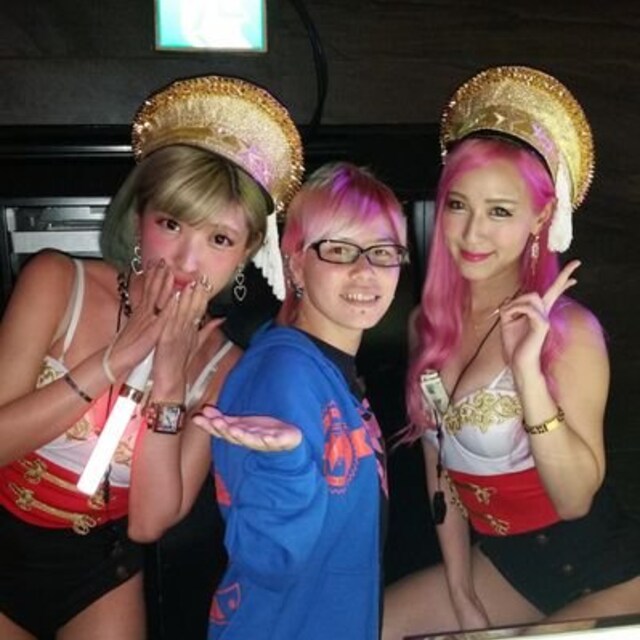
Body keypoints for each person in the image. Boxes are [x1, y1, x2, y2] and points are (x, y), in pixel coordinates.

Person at [0, 73, 303, 640]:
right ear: (139, 219)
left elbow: (148, 523)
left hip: (101, 570)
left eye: (219, 239)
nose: (188, 261)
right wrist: (112, 362)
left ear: (243, 257)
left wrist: (167, 381)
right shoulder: (56, 281)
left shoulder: (224, 364)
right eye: (172, 223)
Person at [382, 66, 640, 639]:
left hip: (607, 571)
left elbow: (574, 501)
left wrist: (527, 373)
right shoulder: (428, 324)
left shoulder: (571, 332)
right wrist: (460, 590)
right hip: (506, 564)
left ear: (540, 217)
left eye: (500, 211)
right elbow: (439, 467)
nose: (472, 233)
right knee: (373, 626)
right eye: (458, 205)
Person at [135, 161, 409, 639]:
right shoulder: (283, 376)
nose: (365, 271)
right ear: (296, 264)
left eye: (382, 252)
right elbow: (268, 560)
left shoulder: (327, 372)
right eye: (339, 249)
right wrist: (285, 466)